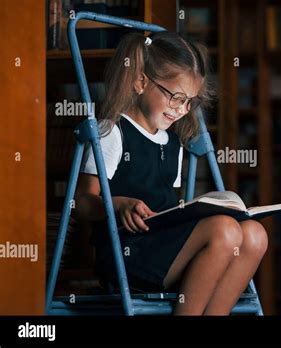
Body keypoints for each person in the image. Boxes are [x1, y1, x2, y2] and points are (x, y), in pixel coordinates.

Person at [73, 32, 268, 315]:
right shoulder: (112, 133)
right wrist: (118, 204)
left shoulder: (173, 142)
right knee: (224, 230)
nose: (182, 109)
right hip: (127, 254)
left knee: (255, 234)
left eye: (189, 101)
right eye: (176, 97)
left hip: (163, 247)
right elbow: (80, 202)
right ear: (141, 81)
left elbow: (167, 206)